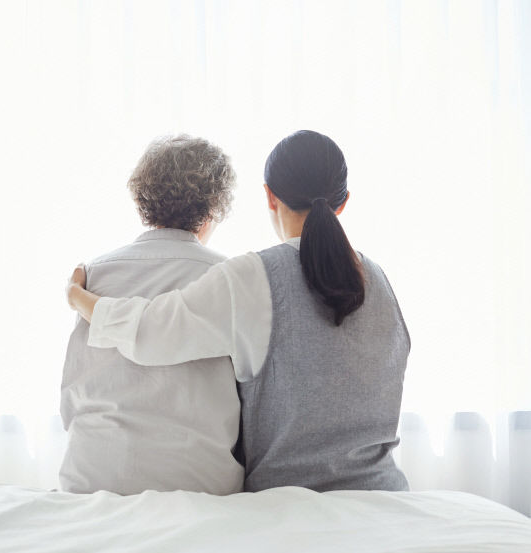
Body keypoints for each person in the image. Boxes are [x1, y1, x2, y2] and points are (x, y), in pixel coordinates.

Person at [66, 130, 410, 493]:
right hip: (386, 497)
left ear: (270, 196)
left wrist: (77, 296)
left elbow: (150, 332)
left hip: (287, 503)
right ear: (342, 202)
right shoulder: (379, 279)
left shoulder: (253, 276)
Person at [60, 135, 243, 495]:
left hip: (93, 478)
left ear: (144, 198)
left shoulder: (93, 275)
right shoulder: (229, 278)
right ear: (214, 205)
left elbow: (72, 392)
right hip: (199, 484)